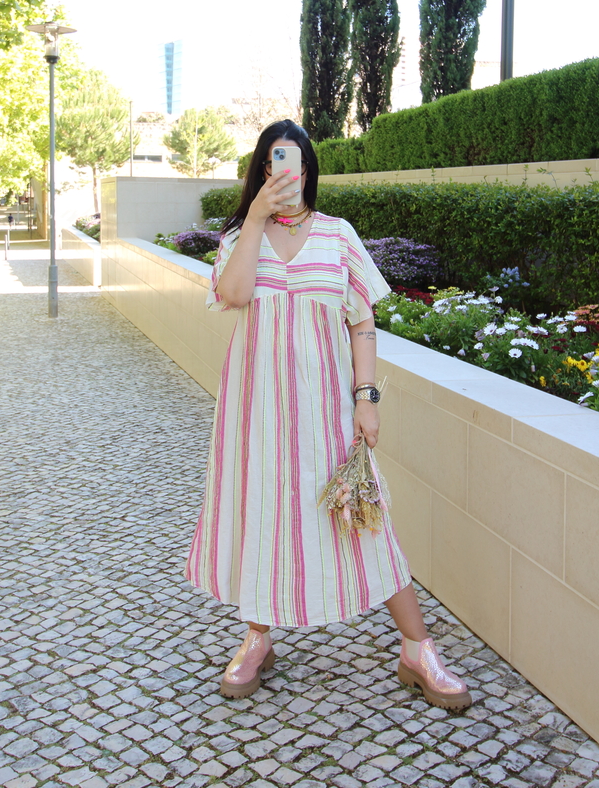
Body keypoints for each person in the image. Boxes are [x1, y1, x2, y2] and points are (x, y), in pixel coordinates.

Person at [185, 120, 471, 711]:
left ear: (309, 171)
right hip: (256, 411)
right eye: (271, 164)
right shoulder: (241, 237)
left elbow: (362, 325)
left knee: (364, 516)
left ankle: (417, 649)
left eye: (292, 163)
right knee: (263, 511)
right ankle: (257, 638)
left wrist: (367, 398)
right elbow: (234, 296)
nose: (283, 173)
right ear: (261, 172)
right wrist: (258, 219)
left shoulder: (339, 236)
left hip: (326, 411)